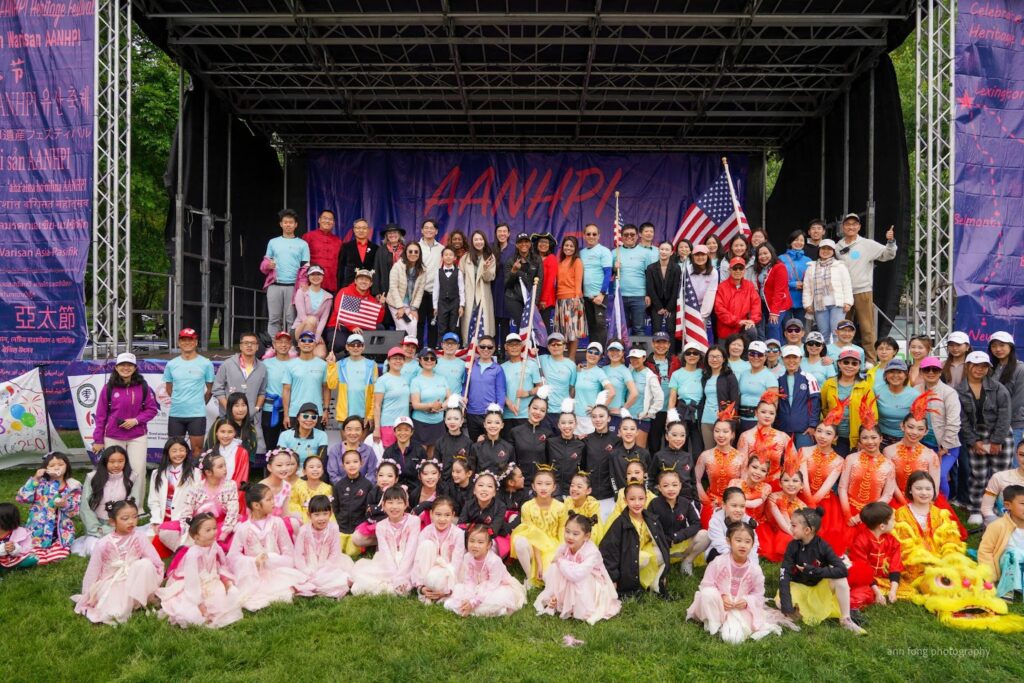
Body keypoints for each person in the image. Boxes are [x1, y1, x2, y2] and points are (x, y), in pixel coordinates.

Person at [688, 519, 796, 644]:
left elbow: (758, 595)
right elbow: (707, 584)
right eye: (738, 541)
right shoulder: (718, 562)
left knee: (733, 639)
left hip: (739, 608)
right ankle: (714, 624)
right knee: (707, 593)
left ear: (752, 544)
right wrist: (722, 596)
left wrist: (746, 602)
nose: (743, 545)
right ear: (729, 541)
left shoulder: (755, 570)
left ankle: (727, 626)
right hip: (718, 603)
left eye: (747, 542)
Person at [777, 507, 865, 634]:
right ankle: (803, 611)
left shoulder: (823, 546)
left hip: (818, 588)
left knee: (840, 579)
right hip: (798, 587)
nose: (790, 529)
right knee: (781, 603)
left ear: (807, 530)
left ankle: (846, 619)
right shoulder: (792, 546)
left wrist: (813, 570)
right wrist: (786, 604)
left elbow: (842, 570)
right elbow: (784, 573)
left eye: (794, 525)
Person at [92, 352, 158, 512]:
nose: (126, 368)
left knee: (138, 470)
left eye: (129, 365)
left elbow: (152, 409)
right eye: (122, 365)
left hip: (137, 435)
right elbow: (101, 416)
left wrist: (136, 420)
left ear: (135, 368)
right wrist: (98, 439)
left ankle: (137, 506)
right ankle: (112, 504)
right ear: (116, 367)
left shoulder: (143, 387)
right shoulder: (108, 388)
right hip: (113, 436)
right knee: (113, 470)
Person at [157, 512, 244, 629]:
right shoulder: (193, 554)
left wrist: (226, 582)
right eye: (208, 530)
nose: (214, 532)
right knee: (191, 613)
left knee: (228, 599)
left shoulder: (215, 547)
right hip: (196, 586)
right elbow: (192, 581)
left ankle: (214, 608)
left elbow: (221, 566)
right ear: (196, 536)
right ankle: (202, 611)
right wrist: (199, 604)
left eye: (214, 528)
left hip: (213, 583)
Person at [227, 483, 304, 611]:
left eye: (273, 498)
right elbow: (233, 557)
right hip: (254, 573)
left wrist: (272, 559)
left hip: (277, 570)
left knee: (284, 593)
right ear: (256, 505)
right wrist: (252, 562)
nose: (274, 502)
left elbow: (289, 553)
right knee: (251, 598)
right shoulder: (243, 528)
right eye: (269, 500)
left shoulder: (277, 523)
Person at [534, 511, 621, 624]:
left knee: (574, 574)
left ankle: (578, 606)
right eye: (567, 532)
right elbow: (557, 564)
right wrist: (560, 562)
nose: (569, 537)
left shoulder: (592, 552)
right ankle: (560, 599)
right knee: (556, 568)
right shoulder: (565, 546)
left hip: (590, 583)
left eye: (575, 534)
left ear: (587, 536)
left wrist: (561, 561)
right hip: (573, 575)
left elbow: (578, 574)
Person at [958, 351, 1013, 526]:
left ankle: (997, 509)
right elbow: (962, 419)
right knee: (978, 474)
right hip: (976, 434)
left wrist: (997, 441)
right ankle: (976, 509)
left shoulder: (998, 388)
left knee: (1000, 475)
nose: (979, 369)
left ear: (988, 368)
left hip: (1001, 433)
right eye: (976, 365)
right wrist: (974, 441)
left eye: (984, 366)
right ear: (967, 366)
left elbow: (1005, 415)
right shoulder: (959, 391)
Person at [890, 472, 966, 600]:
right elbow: (902, 545)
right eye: (918, 488)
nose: (924, 493)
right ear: (910, 490)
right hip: (914, 562)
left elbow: (951, 540)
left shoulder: (941, 514)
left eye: (928, 489)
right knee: (931, 580)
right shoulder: (900, 514)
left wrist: (947, 558)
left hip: (940, 558)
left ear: (933, 490)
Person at [834, 214, 897, 363]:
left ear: (859, 227)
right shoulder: (837, 247)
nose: (851, 227)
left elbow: (887, 255)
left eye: (854, 224)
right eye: (847, 224)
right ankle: (842, 359)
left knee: (867, 328)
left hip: (862, 290)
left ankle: (871, 361)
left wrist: (890, 241)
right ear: (843, 227)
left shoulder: (867, 244)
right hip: (843, 293)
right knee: (843, 328)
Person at [837, 412, 896, 555]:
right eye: (865, 438)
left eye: (874, 437)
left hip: (874, 510)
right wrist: (847, 514)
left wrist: (863, 515)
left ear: (881, 438)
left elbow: (887, 494)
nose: (870, 442)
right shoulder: (851, 459)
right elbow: (842, 487)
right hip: (848, 507)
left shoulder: (889, 465)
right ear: (859, 441)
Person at [600, 482, 671, 597]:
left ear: (646, 499)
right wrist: (613, 578)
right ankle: (634, 583)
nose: (637, 503)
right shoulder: (620, 523)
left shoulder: (651, 519)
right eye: (632, 499)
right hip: (626, 562)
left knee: (663, 553)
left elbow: (662, 542)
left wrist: (664, 573)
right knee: (642, 558)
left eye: (641, 499)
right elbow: (609, 551)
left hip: (642, 555)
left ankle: (655, 582)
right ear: (625, 500)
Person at [351, 485, 420, 597]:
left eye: (399, 502)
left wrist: (401, 574)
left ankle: (395, 584)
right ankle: (391, 585)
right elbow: (385, 552)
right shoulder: (381, 526)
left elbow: (411, 550)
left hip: (409, 562)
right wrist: (395, 575)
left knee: (407, 583)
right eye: (390, 503)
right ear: (383, 505)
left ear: (406, 504)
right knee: (358, 585)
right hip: (388, 563)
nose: (394, 507)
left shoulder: (414, 521)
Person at [445, 524, 527, 617]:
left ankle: (497, 609)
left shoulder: (494, 561)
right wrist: (469, 597)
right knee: (460, 590)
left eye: (480, 542)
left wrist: (473, 602)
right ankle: (467, 607)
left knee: (493, 600)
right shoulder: (468, 557)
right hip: (478, 585)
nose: (475, 545)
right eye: (472, 541)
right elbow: (469, 579)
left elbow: (492, 585)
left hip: (496, 587)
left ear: (489, 545)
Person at [166, 451, 241, 552]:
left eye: (224, 465)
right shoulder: (197, 487)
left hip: (221, 525)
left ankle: (215, 545)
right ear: (208, 472)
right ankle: (192, 545)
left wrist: (224, 532)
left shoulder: (230, 485)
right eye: (220, 466)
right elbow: (187, 511)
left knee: (240, 529)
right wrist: (187, 530)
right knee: (166, 531)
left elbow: (232, 511)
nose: (225, 469)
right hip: (200, 525)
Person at [15, 453, 81, 565]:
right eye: (52, 465)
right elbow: (22, 498)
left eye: (60, 464)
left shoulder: (74, 486)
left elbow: (76, 510)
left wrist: (65, 504)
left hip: (61, 529)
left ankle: (54, 551)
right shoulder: (40, 484)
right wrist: (35, 478)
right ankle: (40, 554)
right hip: (39, 529)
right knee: (34, 551)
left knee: (59, 553)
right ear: (45, 469)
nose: (57, 467)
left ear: (67, 466)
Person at [75, 446, 137, 557]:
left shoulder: (131, 477)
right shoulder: (92, 477)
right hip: (97, 525)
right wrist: (97, 529)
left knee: (128, 548)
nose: (116, 465)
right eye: (112, 461)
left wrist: (119, 526)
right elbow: (85, 507)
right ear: (104, 462)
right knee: (95, 549)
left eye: (120, 461)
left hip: (121, 525)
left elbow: (132, 505)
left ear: (126, 462)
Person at [163, 328, 215, 456]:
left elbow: (210, 390)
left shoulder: (206, 364)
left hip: (197, 414)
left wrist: (198, 403)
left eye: (190, 340)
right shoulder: (171, 364)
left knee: (197, 449)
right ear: (179, 343)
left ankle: (195, 474)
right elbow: (169, 389)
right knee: (175, 450)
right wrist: (180, 400)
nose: (187, 343)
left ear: (196, 342)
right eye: (183, 340)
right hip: (176, 413)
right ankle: (178, 475)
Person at [801, 415, 847, 554]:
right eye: (819, 431)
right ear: (814, 432)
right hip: (802, 493)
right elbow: (802, 478)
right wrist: (807, 501)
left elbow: (827, 486)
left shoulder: (839, 460)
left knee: (830, 530)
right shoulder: (804, 451)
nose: (822, 436)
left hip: (824, 499)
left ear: (835, 438)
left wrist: (812, 504)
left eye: (828, 433)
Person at [511, 469, 565, 587]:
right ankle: (529, 577)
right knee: (520, 542)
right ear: (533, 486)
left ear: (554, 487)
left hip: (552, 544)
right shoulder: (527, 507)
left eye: (548, 484)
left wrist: (561, 554)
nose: (543, 488)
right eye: (539, 484)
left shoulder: (561, 507)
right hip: (533, 544)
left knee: (550, 578)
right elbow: (533, 535)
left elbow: (562, 534)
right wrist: (539, 562)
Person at [293, 494, 354, 599]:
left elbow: (335, 553)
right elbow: (299, 555)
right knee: (299, 580)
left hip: (328, 566)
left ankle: (319, 585)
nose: (321, 518)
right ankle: (314, 585)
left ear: (330, 514)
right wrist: (306, 570)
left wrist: (325, 569)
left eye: (325, 514)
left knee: (342, 579)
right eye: (316, 515)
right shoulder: (303, 531)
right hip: (308, 566)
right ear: (309, 515)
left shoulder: (333, 528)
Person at [650, 469, 710, 575]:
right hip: (663, 544)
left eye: (674, 485)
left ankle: (687, 561)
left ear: (680, 486)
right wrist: (666, 539)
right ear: (659, 488)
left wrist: (679, 535)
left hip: (681, 542)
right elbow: (650, 526)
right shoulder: (654, 504)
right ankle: (665, 564)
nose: (671, 489)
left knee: (705, 535)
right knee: (652, 558)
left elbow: (696, 524)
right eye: (665, 486)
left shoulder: (685, 503)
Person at [262, 208, 310, 337]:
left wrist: (304, 283)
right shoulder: (273, 242)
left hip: (293, 286)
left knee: (291, 319)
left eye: (291, 222)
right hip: (274, 284)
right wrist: (268, 265)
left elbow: (305, 266)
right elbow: (265, 263)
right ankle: (273, 347)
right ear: (281, 224)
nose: (288, 224)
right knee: (273, 318)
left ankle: (291, 347)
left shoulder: (303, 244)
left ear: (296, 225)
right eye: (285, 222)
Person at [819, 349, 876, 456]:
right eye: (846, 362)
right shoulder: (828, 384)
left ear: (859, 366)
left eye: (854, 363)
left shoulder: (865, 386)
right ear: (839, 364)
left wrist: (865, 439)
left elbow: (872, 416)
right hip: (833, 438)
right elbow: (823, 408)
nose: (850, 366)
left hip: (857, 440)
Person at [845, 502, 902, 610]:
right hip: (867, 580)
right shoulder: (861, 541)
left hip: (885, 579)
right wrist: (877, 593)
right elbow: (863, 570)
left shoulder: (892, 541)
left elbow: (895, 566)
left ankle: (884, 591)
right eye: (893, 520)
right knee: (862, 594)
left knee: (908, 591)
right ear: (882, 526)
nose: (895, 522)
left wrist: (893, 591)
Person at [694, 407, 744, 528]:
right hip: (711, 503)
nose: (721, 435)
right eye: (717, 431)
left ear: (732, 435)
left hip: (734, 505)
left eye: (725, 432)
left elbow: (744, 485)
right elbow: (696, 480)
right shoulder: (705, 455)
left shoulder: (741, 457)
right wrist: (706, 501)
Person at [412, 496, 465, 605]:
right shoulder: (426, 532)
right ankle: (427, 588)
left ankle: (444, 591)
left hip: (450, 573)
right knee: (427, 545)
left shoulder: (458, 534)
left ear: (453, 516)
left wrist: (446, 590)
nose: (442, 519)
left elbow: (457, 562)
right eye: (438, 514)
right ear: (431, 514)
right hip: (429, 571)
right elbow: (418, 561)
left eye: (447, 515)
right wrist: (421, 587)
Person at [147, 438, 197, 553]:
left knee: (185, 549)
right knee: (149, 548)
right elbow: (153, 501)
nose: (178, 454)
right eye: (174, 451)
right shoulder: (157, 473)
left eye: (182, 450)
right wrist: (156, 520)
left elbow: (196, 502)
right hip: (162, 518)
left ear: (187, 452)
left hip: (183, 520)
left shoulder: (195, 474)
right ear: (167, 453)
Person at [802, 239, 853, 345]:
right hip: (820, 305)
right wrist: (807, 305)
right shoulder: (811, 267)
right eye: (823, 248)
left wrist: (848, 302)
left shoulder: (840, 266)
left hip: (837, 304)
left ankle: (837, 359)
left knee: (837, 333)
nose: (826, 251)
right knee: (823, 334)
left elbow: (847, 285)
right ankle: (825, 358)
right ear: (819, 250)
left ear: (833, 251)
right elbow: (807, 288)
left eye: (829, 249)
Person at [978, 484, 1024, 599]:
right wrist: (990, 577)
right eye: (1023, 504)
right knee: (1013, 554)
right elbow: (985, 552)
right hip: (1008, 564)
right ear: (1008, 505)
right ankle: (1007, 590)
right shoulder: (997, 526)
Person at [325, 333, 377, 432]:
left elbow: (375, 392)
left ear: (363, 347)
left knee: (361, 447)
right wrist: (331, 366)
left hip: (364, 415)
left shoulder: (371, 365)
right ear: (347, 347)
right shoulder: (340, 364)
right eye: (352, 345)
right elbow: (331, 385)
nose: (355, 347)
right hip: (344, 415)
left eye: (359, 345)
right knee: (346, 447)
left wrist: (370, 415)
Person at [326, 267, 384, 355]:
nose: (364, 282)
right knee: (339, 344)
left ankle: (368, 356)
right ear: (355, 281)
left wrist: (381, 305)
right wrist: (352, 326)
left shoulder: (371, 299)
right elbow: (339, 311)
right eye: (361, 279)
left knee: (380, 328)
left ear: (371, 284)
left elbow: (377, 321)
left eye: (367, 280)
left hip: (359, 328)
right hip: (339, 327)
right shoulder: (345, 292)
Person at [458, 471, 513, 558]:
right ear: (474, 490)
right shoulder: (468, 504)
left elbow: (493, 530)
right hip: (472, 537)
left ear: (494, 492)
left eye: (490, 486)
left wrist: (471, 527)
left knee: (486, 547)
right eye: (480, 485)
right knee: (460, 540)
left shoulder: (500, 506)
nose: (484, 489)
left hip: (495, 538)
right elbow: (460, 525)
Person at [617, 224, 658, 336]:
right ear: (621, 236)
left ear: (637, 236)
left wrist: (648, 294)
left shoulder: (645, 253)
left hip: (639, 296)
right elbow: (611, 274)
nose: (629, 237)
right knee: (622, 328)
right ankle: (623, 353)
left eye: (632, 234)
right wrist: (614, 268)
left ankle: (639, 353)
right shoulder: (615, 252)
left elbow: (649, 276)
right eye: (626, 234)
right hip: (621, 296)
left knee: (638, 328)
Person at [776, 346, 820, 448]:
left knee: (804, 460)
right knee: (786, 461)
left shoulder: (809, 378)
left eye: (794, 357)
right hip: (783, 429)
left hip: (804, 430)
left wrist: (813, 425)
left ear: (800, 359)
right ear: (782, 359)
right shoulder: (778, 378)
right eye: (788, 357)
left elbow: (815, 403)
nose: (791, 361)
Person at [282, 330, 328, 430]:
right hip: (295, 413)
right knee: (294, 445)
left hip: (317, 413)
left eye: (310, 340)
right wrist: (286, 414)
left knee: (316, 444)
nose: (307, 343)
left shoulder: (323, 365)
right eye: (303, 340)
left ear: (315, 343)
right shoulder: (290, 365)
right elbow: (286, 390)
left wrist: (326, 410)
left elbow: (326, 389)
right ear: (298, 343)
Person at [331, 449, 373, 558]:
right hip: (341, 528)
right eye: (347, 462)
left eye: (355, 461)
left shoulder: (367, 485)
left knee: (352, 553)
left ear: (361, 463)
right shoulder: (338, 485)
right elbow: (335, 508)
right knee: (338, 552)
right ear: (343, 465)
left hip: (358, 529)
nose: (352, 465)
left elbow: (368, 509)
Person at [988, 330, 1024, 453]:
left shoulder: (1021, 369)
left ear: (1011, 347)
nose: (998, 349)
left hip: (1014, 424)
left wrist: (1001, 419)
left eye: (1002, 345)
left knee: (1012, 463)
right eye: (994, 346)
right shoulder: (992, 368)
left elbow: (1018, 400)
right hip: (993, 424)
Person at [465, 336, 507, 441]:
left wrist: (498, 410)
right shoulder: (470, 366)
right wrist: (463, 399)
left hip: (490, 414)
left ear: (494, 349)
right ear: (478, 348)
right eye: (483, 347)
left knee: (490, 444)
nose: (486, 349)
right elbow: (465, 387)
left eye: (489, 347)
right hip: (472, 413)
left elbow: (501, 391)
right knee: (475, 444)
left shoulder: (498, 369)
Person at [698, 345, 739, 449]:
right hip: (706, 420)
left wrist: (731, 422)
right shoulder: (705, 377)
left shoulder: (730, 376)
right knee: (709, 452)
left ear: (724, 359)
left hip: (723, 422)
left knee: (725, 451)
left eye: (718, 356)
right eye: (711, 356)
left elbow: (735, 401)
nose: (714, 359)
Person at [552, 235, 587, 359]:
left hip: (573, 299)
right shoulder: (560, 262)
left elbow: (578, 281)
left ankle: (571, 359)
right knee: (563, 332)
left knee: (572, 333)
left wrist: (577, 297)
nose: (568, 248)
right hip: (560, 300)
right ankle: (563, 358)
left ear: (575, 248)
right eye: (566, 245)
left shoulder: (577, 261)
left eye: (571, 246)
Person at [411, 348, 451, 453]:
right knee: (420, 456)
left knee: (433, 456)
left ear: (435, 361)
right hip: (421, 423)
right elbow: (415, 404)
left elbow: (449, 398)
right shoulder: (416, 381)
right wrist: (431, 405)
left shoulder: (442, 379)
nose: (429, 360)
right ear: (420, 360)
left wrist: (441, 407)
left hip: (438, 422)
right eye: (426, 358)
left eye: (432, 358)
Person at [579, 224, 612, 349]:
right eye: (588, 234)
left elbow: (608, 273)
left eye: (594, 234)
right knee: (591, 326)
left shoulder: (604, 251)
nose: (591, 236)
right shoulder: (581, 253)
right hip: (586, 296)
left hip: (599, 295)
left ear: (599, 236)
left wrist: (602, 293)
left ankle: (603, 355)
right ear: (584, 236)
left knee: (600, 325)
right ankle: (593, 351)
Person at [460, 230, 498, 342]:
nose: (478, 242)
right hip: (469, 296)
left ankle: (484, 347)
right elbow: (460, 280)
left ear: (484, 241)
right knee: (468, 324)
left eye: (481, 239)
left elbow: (489, 278)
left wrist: (486, 268)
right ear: (472, 241)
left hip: (483, 296)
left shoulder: (490, 257)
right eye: (476, 239)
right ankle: (468, 347)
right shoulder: (465, 258)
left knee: (484, 326)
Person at [705, 486, 760, 563]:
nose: (738, 510)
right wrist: (735, 561)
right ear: (724, 505)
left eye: (742, 506)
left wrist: (753, 564)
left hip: (742, 554)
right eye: (734, 506)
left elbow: (754, 544)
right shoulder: (716, 521)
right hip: (721, 553)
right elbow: (720, 544)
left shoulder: (748, 521)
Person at [504, 232, 544, 336]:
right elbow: (507, 284)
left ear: (530, 244)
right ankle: (519, 350)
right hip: (514, 298)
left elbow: (539, 282)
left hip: (529, 298)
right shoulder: (511, 261)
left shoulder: (537, 260)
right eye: (520, 242)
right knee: (522, 325)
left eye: (526, 241)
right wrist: (513, 271)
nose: (523, 244)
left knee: (531, 326)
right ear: (516, 245)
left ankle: (529, 350)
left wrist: (534, 302)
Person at [501, 335, 542, 435]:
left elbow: (540, 387)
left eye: (517, 344)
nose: (514, 347)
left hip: (527, 415)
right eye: (511, 345)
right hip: (508, 415)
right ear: (506, 347)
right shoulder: (501, 367)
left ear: (521, 346)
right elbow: (499, 390)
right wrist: (507, 402)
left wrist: (527, 393)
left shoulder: (531, 365)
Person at [372, 347, 411, 448]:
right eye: (395, 358)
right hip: (388, 425)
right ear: (388, 361)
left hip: (404, 425)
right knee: (389, 459)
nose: (398, 361)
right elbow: (377, 405)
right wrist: (377, 428)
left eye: (400, 358)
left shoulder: (405, 379)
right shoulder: (382, 380)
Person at [646, 332, 679, 450]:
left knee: (671, 443)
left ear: (669, 345)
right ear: (653, 344)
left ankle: (670, 468)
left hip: (672, 409)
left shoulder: (676, 361)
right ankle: (655, 468)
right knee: (654, 444)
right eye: (658, 342)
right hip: (654, 410)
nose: (661, 345)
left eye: (664, 342)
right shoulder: (646, 362)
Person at [736, 340, 779, 432]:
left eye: (759, 354)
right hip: (742, 420)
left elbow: (774, 403)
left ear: (765, 357)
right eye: (752, 354)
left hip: (760, 421)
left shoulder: (770, 376)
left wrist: (769, 423)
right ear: (748, 355)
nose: (756, 357)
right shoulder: (743, 374)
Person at [261, 331, 294, 453]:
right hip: (270, 409)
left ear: (290, 345)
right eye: (280, 342)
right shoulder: (265, 364)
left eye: (286, 342)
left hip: (290, 409)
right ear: (274, 344)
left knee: (289, 446)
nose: (283, 345)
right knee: (271, 445)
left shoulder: (296, 363)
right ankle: (270, 469)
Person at [752, 243, 791, 342]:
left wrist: (774, 312)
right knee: (777, 330)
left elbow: (779, 291)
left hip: (778, 305)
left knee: (772, 327)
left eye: (765, 253)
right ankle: (781, 351)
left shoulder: (779, 267)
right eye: (760, 254)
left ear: (771, 253)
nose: (763, 256)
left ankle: (774, 352)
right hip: (765, 304)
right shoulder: (760, 268)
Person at [714, 256, 760, 339]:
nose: (738, 271)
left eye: (741, 268)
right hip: (726, 330)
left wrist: (752, 320)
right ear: (729, 270)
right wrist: (737, 321)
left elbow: (756, 305)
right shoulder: (722, 287)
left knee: (752, 331)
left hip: (744, 328)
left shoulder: (749, 285)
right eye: (735, 268)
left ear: (744, 270)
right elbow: (719, 309)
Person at [387, 241, 426, 337]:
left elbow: (420, 291)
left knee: (413, 324)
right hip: (396, 304)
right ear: (406, 253)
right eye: (410, 251)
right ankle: (400, 351)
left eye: (416, 252)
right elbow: (393, 288)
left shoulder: (422, 270)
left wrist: (414, 308)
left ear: (419, 254)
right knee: (403, 328)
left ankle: (411, 349)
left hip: (411, 305)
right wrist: (400, 307)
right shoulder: (397, 266)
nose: (413, 254)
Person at [292, 266, 334, 356]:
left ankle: (306, 356)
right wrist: (316, 333)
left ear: (322, 276)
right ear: (308, 276)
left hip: (316, 332)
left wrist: (318, 336)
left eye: (318, 274)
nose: (316, 277)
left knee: (321, 355)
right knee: (311, 319)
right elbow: (302, 316)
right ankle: (302, 352)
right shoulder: (301, 291)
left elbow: (323, 319)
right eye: (312, 274)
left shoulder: (328, 297)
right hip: (299, 329)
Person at [204, 393, 259, 461]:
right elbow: (210, 447)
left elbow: (252, 454)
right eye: (236, 406)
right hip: (218, 466)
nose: (241, 409)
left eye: (243, 405)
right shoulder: (220, 423)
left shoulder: (251, 428)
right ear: (230, 407)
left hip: (242, 467)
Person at [629, 348, 665, 447]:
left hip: (641, 419)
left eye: (637, 358)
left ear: (644, 358)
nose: (634, 361)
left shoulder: (650, 376)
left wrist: (650, 413)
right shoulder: (629, 371)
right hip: (627, 418)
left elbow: (659, 398)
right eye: (632, 358)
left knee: (639, 452)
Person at [540, 333, 577, 428]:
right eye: (552, 344)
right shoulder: (541, 359)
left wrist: (570, 406)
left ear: (564, 346)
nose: (555, 346)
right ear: (548, 347)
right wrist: (531, 352)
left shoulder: (571, 364)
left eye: (558, 344)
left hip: (563, 411)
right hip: (545, 411)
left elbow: (572, 388)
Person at [646, 241, 681, 340]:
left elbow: (676, 289)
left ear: (671, 252)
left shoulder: (676, 268)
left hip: (671, 304)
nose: (664, 252)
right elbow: (650, 288)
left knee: (671, 329)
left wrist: (669, 308)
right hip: (656, 304)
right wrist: (659, 307)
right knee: (656, 329)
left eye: (667, 250)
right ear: (658, 250)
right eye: (662, 249)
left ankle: (671, 355)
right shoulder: (651, 268)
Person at [418, 219, 444, 347]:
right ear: (422, 230)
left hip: (435, 293)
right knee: (419, 323)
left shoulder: (442, 249)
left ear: (436, 231)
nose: (429, 230)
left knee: (434, 323)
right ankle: (417, 351)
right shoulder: (415, 247)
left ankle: (432, 350)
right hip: (419, 292)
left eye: (432, 228)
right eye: (426, 227)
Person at [302, 210, 343, 292]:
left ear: (333, 223)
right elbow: (302, 261)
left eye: (330, 219)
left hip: (331, 284)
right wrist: (303, 281)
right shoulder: (308, 237)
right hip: (312, 283)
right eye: (325, 218)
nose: (327, 221)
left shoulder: (338, 241)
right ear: (319, 220)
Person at [981, 447, 1024, 524]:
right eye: (1022, 455)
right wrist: (998, 526)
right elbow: (986, 508)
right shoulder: (1000, 477)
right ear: (1016, 455)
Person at [688, 245, 719, 344]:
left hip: (704, 306)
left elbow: (711, 294)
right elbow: (684, 292)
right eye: (697, 255)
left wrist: (702, 316)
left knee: (700, 333)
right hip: (690, 305)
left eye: (703, 255)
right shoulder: (687, 269)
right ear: (693, 256)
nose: (700, 257)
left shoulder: (713, 272)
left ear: (708, 256)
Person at [491, 223, 515, 348]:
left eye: (504, 231)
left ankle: (505, 351)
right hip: (493, 288)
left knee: (505, 322)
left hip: (507, 289)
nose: (502, 234)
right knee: (493, 322)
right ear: (496, 233)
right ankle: (493, 350)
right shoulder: (490, 248)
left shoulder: (513, 249)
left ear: (509, 233)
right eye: (499, 231)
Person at [372, 222, 406, 310]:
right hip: (385, 289)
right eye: (389, 233)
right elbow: (376, 270)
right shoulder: (381, 250)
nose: (392, 235)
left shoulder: (406, 250)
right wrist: (376, 292)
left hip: (402, 289)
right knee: (386, 317)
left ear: (399, 235)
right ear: (386, 236)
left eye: (395, 232)